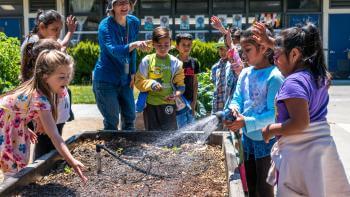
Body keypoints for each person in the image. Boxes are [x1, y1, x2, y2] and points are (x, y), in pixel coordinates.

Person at [252, 22, 350, 196]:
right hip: (319, 152)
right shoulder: (318, 75)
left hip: (300, 156)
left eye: (276, 56)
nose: (275, 61)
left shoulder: (293, 82)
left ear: (295, 54)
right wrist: (271, 42)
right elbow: (290, 50)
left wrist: (269, 129)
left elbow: (300, 123)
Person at [0, 50, 87, 182]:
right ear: (45, 76)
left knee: (18, 160)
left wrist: (25, 127)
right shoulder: (40, 99)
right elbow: (54, 136)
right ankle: (9, 189)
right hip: (4, 122)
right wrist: (72, 161)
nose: (67, 80)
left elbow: (18, 110)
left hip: (12, 121)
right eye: (62, 76)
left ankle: (11, 187)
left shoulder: (47, 90)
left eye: (68, 75)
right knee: (13, 163)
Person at [224, 26, 284, 197]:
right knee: (249, 183)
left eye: (247, 50)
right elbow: (237, 98)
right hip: (247, 138)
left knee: (264, 188)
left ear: (264, 48)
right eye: (242, 50)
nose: (243, 55)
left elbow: (274, 114)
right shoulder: (245, 73)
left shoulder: (275, 76)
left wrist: (246, 122)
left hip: (266, 141)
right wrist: (234, 109)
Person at [93, 0, 149, 130]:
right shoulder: (105, 25)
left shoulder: (134, 22)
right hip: (105, 79)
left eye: (126, 2)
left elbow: (131, 51)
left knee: (130, 117)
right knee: (112, 119)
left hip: (125, 78)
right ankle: (110, 149)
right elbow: (113, 50)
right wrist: (134, 44)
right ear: (112, 6)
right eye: (119, 3)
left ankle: (129, 149)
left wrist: (133, 72)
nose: (124, 6)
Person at [21, 39, 73, 159]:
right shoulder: (40, 91)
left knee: (49, 147)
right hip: (11, 126)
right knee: (41, 149)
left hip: (53, 120)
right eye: (57, 53)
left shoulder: (52, 81)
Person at [135, 27, 185, 131]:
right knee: (152, 135)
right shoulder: (147, 61)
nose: (163, 48)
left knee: (169, 135)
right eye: (159, 45)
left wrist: (176, 94)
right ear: (153, 44)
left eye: (166, 45)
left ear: (170, 43)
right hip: (150, 104)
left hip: (169, 104)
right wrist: (151, 84)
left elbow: (181, 86)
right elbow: (139, 82)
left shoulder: (176, 63)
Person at [175, 33, 201, 128]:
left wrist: (194, 102)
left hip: (190, 101)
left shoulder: (194, 62)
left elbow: (195, 83)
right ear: (177, 46)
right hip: (178, 102)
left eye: (189, 45)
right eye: (183, 45)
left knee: (191, 127)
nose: (186, 47)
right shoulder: (173, 62)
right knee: (180, 128)